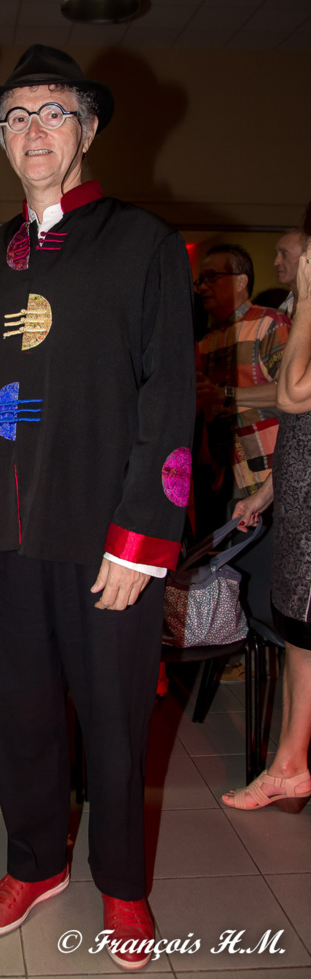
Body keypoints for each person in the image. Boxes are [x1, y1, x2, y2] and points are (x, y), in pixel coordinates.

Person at [0, 45, 195, 971]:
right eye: (15, 118)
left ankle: (124, 885)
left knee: (113, 712)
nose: (33, 132)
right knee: (16, 710)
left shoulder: (142, 243)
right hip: (8, 543)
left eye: (53, 112)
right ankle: (33, 862)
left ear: (88, 129)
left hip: (107, 543)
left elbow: (170, 396)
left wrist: (141, 542)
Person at [223, 235, 311, 812]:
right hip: (298, 498)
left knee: (302, 640)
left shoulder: (300, 317)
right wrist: (263, 494)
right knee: (299, 640)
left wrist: (304, 304)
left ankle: (290, 766)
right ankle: (291, 764)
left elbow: (292, 393)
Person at [195, 244, 290, 530]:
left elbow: (292, 391)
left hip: (271, 478)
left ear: (241, 281)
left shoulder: (269, 324)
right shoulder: (204, 343)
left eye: (212, 277)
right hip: (222, 480)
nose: (202, 287)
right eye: (201, 280)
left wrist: (224, 395)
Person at [274, 225, 308, 317]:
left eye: (284, 254)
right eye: (277, 254)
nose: (276, 262)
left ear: (307, 257)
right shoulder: (283, 307)